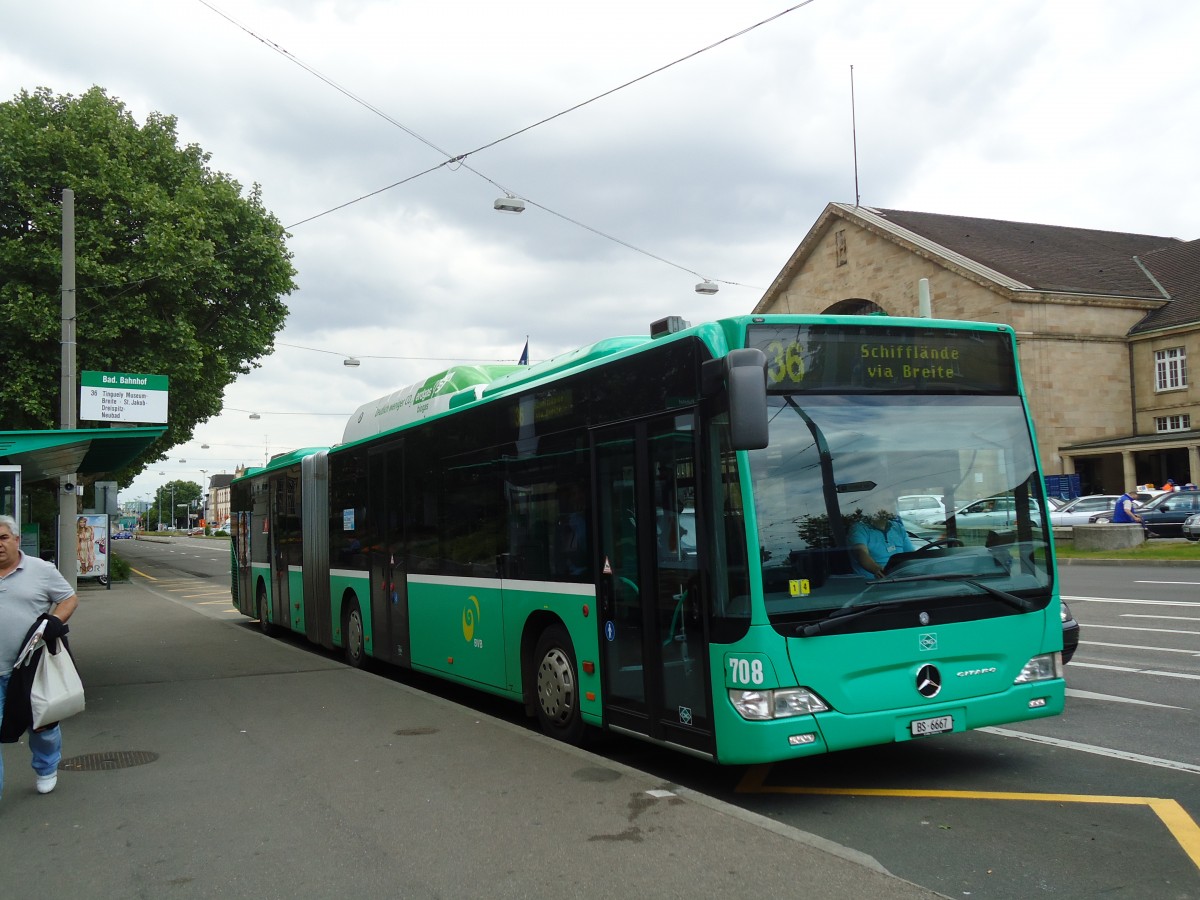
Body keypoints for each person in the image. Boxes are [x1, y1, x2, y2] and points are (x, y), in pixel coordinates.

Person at [0, 514, 79, 799]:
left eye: (3, 538)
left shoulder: (41, 570)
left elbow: (69, 598)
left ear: (16, 540)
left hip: (32, 667)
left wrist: (52, 623)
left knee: (42, 727)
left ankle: (46, 767)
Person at [847, 492, 915, 579]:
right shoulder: (859, 529)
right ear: (874, 506)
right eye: (888, 502)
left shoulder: (898, 528)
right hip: (870, 586)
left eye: (893, 501)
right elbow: (861, 554)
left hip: (899, 580)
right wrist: (878, 570)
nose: (893, 505)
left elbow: (911, 556)